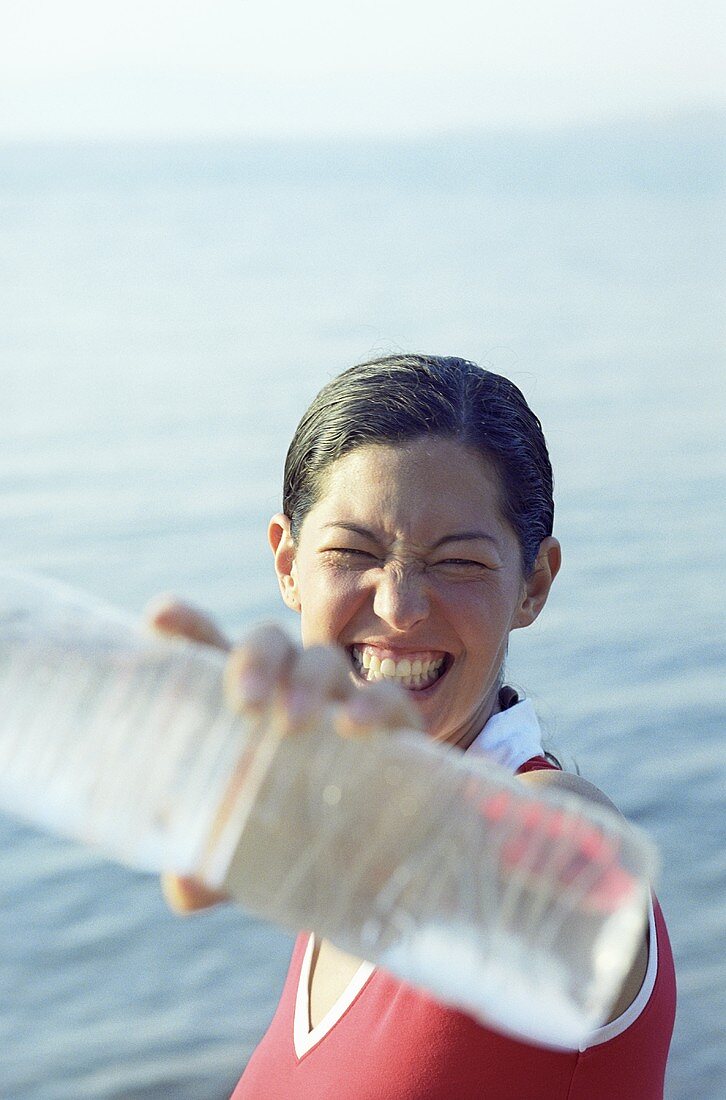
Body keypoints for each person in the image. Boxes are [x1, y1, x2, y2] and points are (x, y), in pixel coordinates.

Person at [148, 355, 676, 1099]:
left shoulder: (554, 835)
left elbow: (543, 860)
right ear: (288, 562)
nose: (399, 606)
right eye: (352, 554)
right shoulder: (336, 894)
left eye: (458, 562)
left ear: (535, 584)